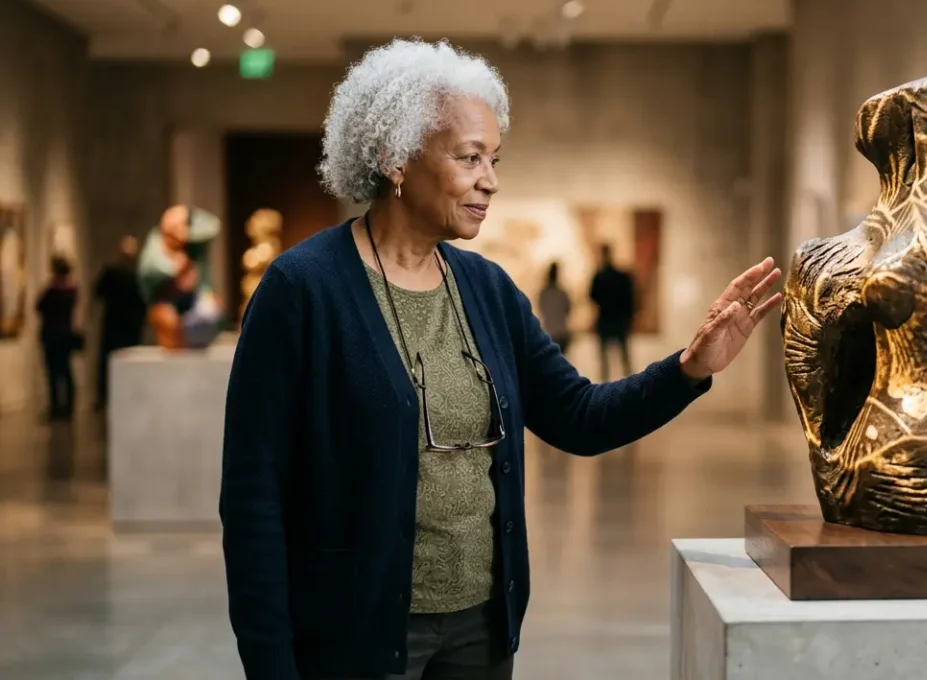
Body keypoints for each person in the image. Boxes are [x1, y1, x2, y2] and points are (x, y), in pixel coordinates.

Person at [219, 38, 782, 680]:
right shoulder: (302, 290)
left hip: (481, 631)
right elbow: (252, 497)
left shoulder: (486, 290)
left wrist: (689, 367)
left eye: (494, 158)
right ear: (395, 159)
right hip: (354, 631)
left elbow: (579, 416)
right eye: (469, 158)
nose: (491, 179)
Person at [137, 204, 224, 349]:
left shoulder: (192, 249)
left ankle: (192, 341)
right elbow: (152, 274)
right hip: (166, 302)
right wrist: (177, 272)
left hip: (191, 303)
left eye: (185, 225)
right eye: (178, 227)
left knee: (211, 310)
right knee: (168, 320)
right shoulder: (156, 248)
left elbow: (211, 226)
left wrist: (190, 213)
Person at [93, 235, 146, 409]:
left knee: (110, 362)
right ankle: (125, 394)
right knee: (123, 363)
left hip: (116, 325)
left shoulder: (114, 273)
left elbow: (97, 293)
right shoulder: (137, 276)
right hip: (128, 326)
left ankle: (106, 397)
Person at [36, 256, 79, 420]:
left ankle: (55, 406)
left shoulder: (52, 291)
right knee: (66, 370)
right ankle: (69, 407)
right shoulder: (72, 291)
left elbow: (39, 307)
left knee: (53, 372)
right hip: (66, 334)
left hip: (51, 334)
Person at [588, 244, 635, 380]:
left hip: (605, 320)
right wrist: (629, 317)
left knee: (604, 360)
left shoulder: (599, 276)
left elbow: (592, 296)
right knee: (624, 356)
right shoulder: (622, 276)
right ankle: (630, 385)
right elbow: (630, 298)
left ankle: (605, 387)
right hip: (620, 320)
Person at [535, 261, 572, 355]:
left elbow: (541, 309)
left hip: (549, 332)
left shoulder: (543, 294)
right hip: (562, 332)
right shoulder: (562, 293)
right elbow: (568, 309)